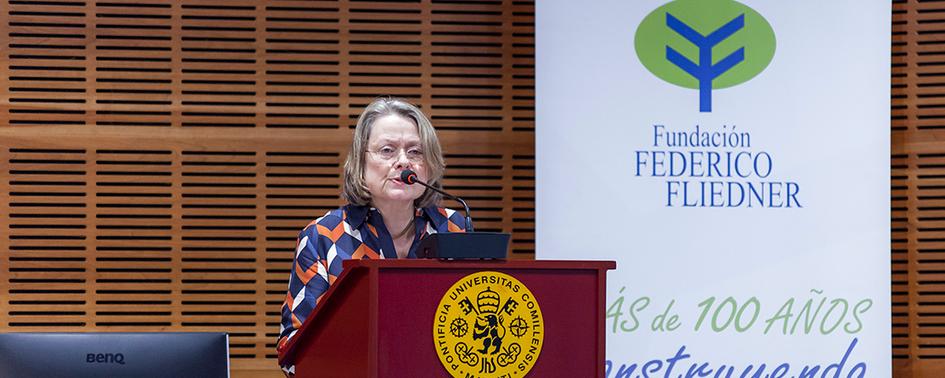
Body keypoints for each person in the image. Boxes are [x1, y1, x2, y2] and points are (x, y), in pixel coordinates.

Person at [275, 98, 468, 375]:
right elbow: (293, 349)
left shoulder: (454, 228)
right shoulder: (324, 236)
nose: (403, 162)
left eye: (415, 152)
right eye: (387, 150)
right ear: (361, 163)